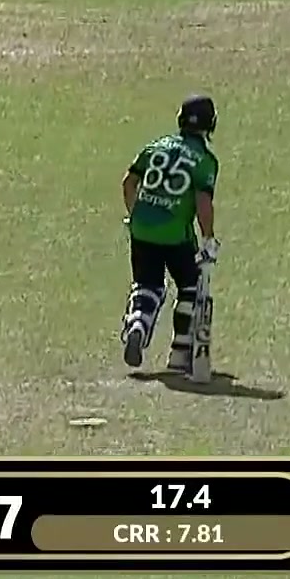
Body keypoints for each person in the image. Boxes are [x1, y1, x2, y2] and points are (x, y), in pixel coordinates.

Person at [119, 94, 221, 374]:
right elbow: (202, 201)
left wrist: (135, 214)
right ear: (210, 124)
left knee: (147, 285)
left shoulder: (156, 147)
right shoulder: (205, 160)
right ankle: (180, 352)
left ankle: (137, 324)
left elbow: (129, 182)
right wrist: (208, 239)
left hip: (141, 227)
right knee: (191, 285)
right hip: (176, 233)